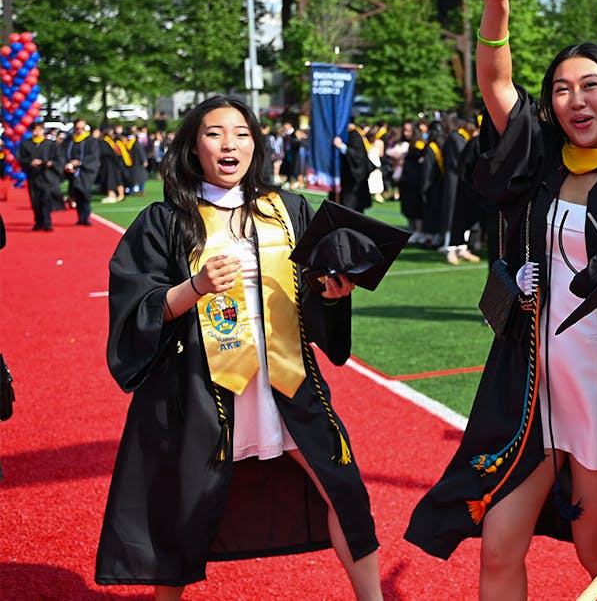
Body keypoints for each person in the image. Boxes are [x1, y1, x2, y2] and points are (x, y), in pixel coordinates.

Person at [406, 0, 597, 601]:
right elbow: (496, 80)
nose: (575, 102)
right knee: (498, 546)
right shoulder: (539, 163)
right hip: (527, 383)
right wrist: (496, 5)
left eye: (590, 86)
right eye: (561, 90)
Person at [96, 96, 381, 599]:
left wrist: (334, 295)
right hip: (205, 390)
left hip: (289, 384)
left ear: (256, 144)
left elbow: (312, 301)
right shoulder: (166, 220)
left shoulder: (288, 209)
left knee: (347, 494)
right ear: (192, 148)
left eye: (242, 133)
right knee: (183, 510)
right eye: (215, 133)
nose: (230, 143)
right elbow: (137, 309)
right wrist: (195, 286)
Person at [18, 122, 64, 231]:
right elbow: (21, 159)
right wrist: (30, 162)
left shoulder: (51, 144)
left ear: (43, 130)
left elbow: (59, 159)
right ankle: (38, 221)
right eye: (34, 130)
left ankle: (47, 223)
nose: (37, 132)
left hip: (47, 176)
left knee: (46, 199)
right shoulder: (26, 144)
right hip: (34, 176)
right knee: (35, 200)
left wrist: (51, 163)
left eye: (39, 129)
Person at [61, 118, 99, 226]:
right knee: (76, 194)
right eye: (77, 128)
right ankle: (80, 217)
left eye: (82, 128)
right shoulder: (69, 141)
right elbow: (62, 154)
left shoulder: (91, 141)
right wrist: (68, 164)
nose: (79, 130)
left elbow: (93, 156)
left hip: (85, 172)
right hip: (72, 172)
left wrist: (80, 162)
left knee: (85, 193)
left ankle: (86, 217)